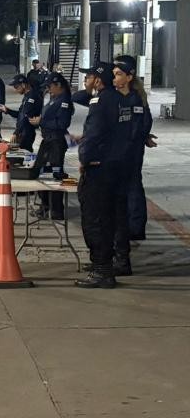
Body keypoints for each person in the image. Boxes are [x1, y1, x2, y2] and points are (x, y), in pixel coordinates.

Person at [72, 62, 125, 288]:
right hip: (115, 166)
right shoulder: (120, 99)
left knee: (95, 220)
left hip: (99, 169)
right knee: (108, 218)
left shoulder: (100, 101)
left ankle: (102, 271)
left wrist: (84, 159)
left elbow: (93, 135)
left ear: (98, 79)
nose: (87, 80)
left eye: (90, 77)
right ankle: (103, 266)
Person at [113, 55, 156, 243]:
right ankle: (128, 225)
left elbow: (141, 125)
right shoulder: (118, 96)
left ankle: (135, 227)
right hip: (122, 150)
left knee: (133, 187)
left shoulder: (135, 99)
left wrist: (139, 138)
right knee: (125, 188)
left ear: (129, 77)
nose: (114, 78)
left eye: (118, 74)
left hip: (130, 151)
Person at [28, 73, 73, 220]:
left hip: (56, 142)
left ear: (58, 85)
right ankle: (45, 205)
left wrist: (41, 122)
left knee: (54, 174)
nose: (48, 90)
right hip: (48, 140)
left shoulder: (64, 101)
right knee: (41, 171)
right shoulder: (55, 98)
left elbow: (62, 124)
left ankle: (56, 210)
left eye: (50, 86)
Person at [0, 74, 43, 151]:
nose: (15, 90)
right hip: (23, 131)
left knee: (23, 153)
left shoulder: (32, 97)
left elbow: (25, 117)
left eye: (16, 87)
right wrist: (7, 110)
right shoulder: (27, 96)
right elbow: (20, 114)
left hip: (27, 132)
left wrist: (16, 132)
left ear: (23, 85)